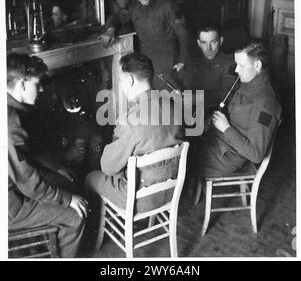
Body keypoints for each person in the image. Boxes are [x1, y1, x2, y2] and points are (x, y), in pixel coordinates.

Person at [7, 53, 88, 257]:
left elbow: (31, 148)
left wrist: (58, 167)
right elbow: (30, 185)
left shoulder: (11, 109)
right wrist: (68, 200)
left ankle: (44, 246)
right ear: (22, 85)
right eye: (37, 83)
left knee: (67, 181)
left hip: (13, 187)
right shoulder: (10, 123)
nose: (42, 88)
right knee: (75, 216)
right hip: (10, 206)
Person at [85, 52, 184, 212]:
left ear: (129, 80)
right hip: (172, 192)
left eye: (120, 81)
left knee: (91, 178)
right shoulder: (175, 106)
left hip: (140, 200)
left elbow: (107, 167)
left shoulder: (129, 121)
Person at [194, 43, 282, 178]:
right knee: (185, 139)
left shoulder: (265, 103)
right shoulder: (249, 84)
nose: (236, 70)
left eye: (241, 65)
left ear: (258, 65)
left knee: (181, 160)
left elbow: (256, 154)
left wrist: (226, 128)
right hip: (218, 142)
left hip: (227, 156)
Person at [99, 0, 189, 90]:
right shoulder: (133, 6)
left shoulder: (168, 5)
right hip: (146, 61)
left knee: (171, 101)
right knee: (151, 100)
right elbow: (118, 17)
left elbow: (183, 35)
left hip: (169, 62)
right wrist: (110, 30)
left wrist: (182, 61)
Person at [183, 24, 237, 109]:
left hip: (216, 113)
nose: (208, 48)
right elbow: (185, 86)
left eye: (213, 42)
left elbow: (228, 94)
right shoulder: (192, 62)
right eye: (204, 42)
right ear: (198, 43)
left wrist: (197, 98)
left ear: (221, 41)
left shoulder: (230, 64)